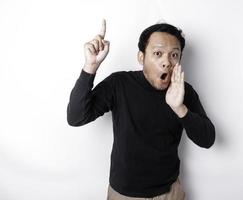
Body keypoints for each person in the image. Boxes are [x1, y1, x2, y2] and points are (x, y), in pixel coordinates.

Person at [67, 19, 215, 200]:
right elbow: (75, 117)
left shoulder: (183, 92)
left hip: (169, 193)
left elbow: (207, 139)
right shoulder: (119, 84)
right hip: (124, 194)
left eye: (174, 55)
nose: (166, 62)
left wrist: (180, 108)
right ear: (141, 57)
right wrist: (90, 66)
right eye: (158, 53)